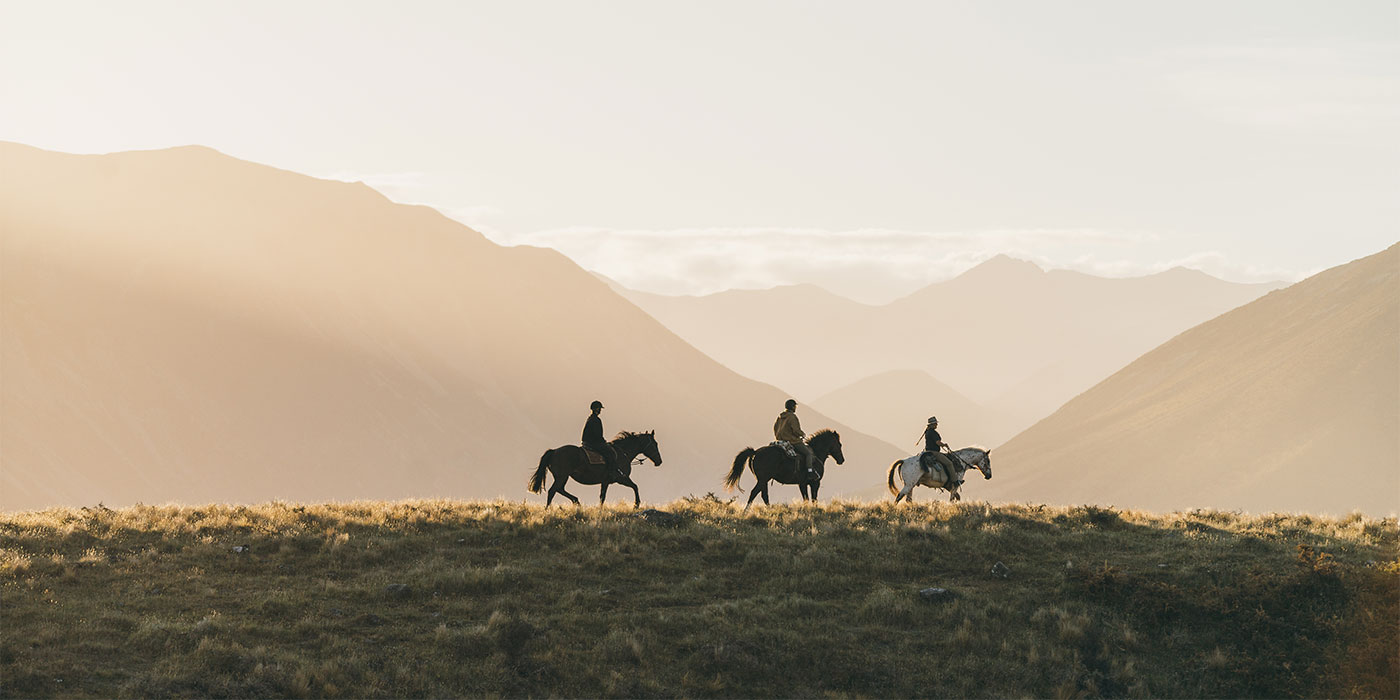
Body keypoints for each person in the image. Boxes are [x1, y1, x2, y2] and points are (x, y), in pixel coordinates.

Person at [773, 399, 816, 474]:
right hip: (792, 441)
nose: (795, 408)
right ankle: (810, 471)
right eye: (795, 406)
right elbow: (796, 430)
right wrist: (802, 434)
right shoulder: (792, 417)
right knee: (808, 453)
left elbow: (775, 428)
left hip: (780, 440)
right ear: (792, 407)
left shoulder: (780, 417)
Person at [919, 416, 962, 490]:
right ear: (932, 424)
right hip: (934, 452)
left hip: (927, 451)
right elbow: (937, 442)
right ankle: (955, 481)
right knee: (949, 463)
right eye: (935, 424)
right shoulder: (933, 432)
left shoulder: (927, 432)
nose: (936, 425)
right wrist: (944, 445)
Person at [581, 400, 621, 478]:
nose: (600, 410)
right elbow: (598, 435)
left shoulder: (590, 418)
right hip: (593, 443)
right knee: (611, 452)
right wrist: (604, 442)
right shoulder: (596, 420)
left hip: (587, 442)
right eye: (599, 408)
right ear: (596, 409)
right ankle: (611, 472)